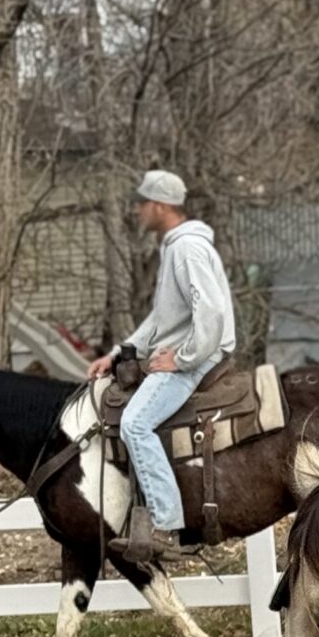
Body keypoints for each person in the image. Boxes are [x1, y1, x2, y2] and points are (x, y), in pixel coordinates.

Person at [94, 169, 236, 562]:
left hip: (196, 357)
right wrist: (121, 351)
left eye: (142, 204)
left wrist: (183, 358)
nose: (138, 211)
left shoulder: (187, 248)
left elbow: (210, 310)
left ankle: (166, 527)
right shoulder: (175, 247)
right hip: (187, 349)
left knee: (134, 424)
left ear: (159, 205)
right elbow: (162, 318)